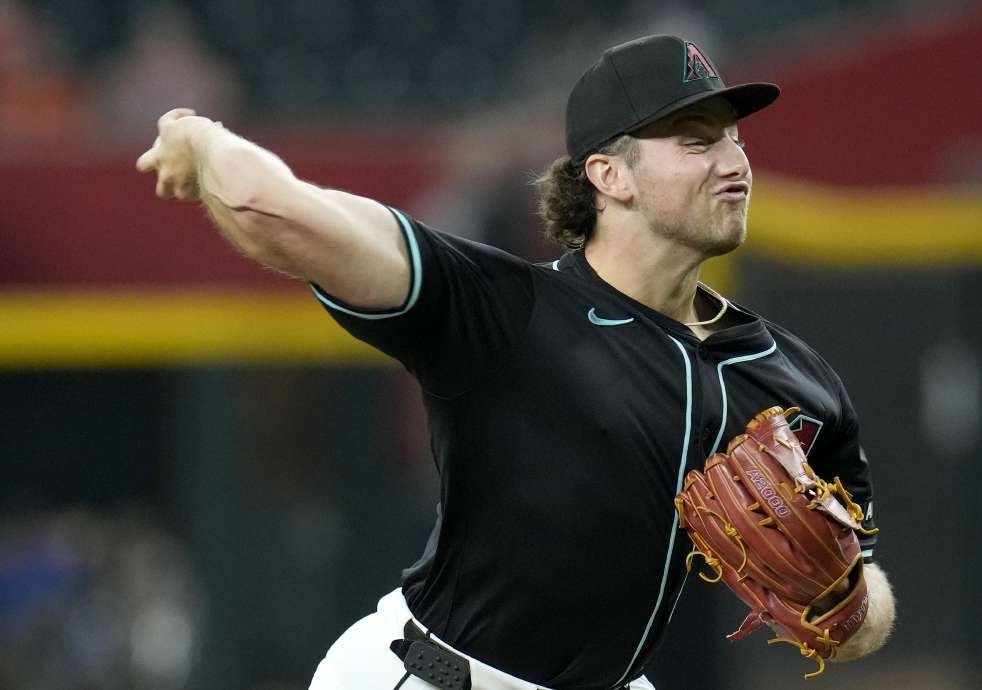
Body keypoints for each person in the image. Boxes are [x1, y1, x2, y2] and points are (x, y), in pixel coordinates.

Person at [137, 34, 895, 690]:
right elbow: (279, 213)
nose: (734, 161)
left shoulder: (792, 379)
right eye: (697, 139)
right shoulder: (505, 311)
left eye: (736, 138)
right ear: (609, 175)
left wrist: (846, 604)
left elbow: (866, 597)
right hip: (433, 675)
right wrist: (201, 138)